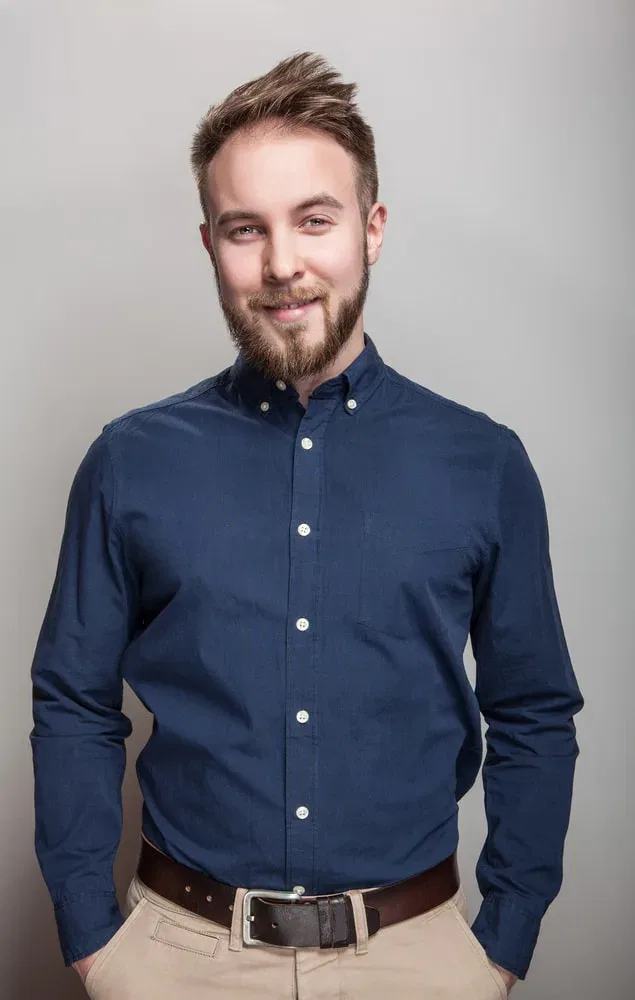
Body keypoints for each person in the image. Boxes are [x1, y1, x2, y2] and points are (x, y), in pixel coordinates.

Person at [30, 51, 584, 999]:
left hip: (417, 961)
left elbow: (532, 711)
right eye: (246, 229)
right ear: (210, 243)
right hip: (173, 960)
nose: (281, 263)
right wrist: (93, 936)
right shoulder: (129, 460)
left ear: (371, 229)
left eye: (314, 220)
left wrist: (500, 942)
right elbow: (73, 703)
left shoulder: (483, 464)